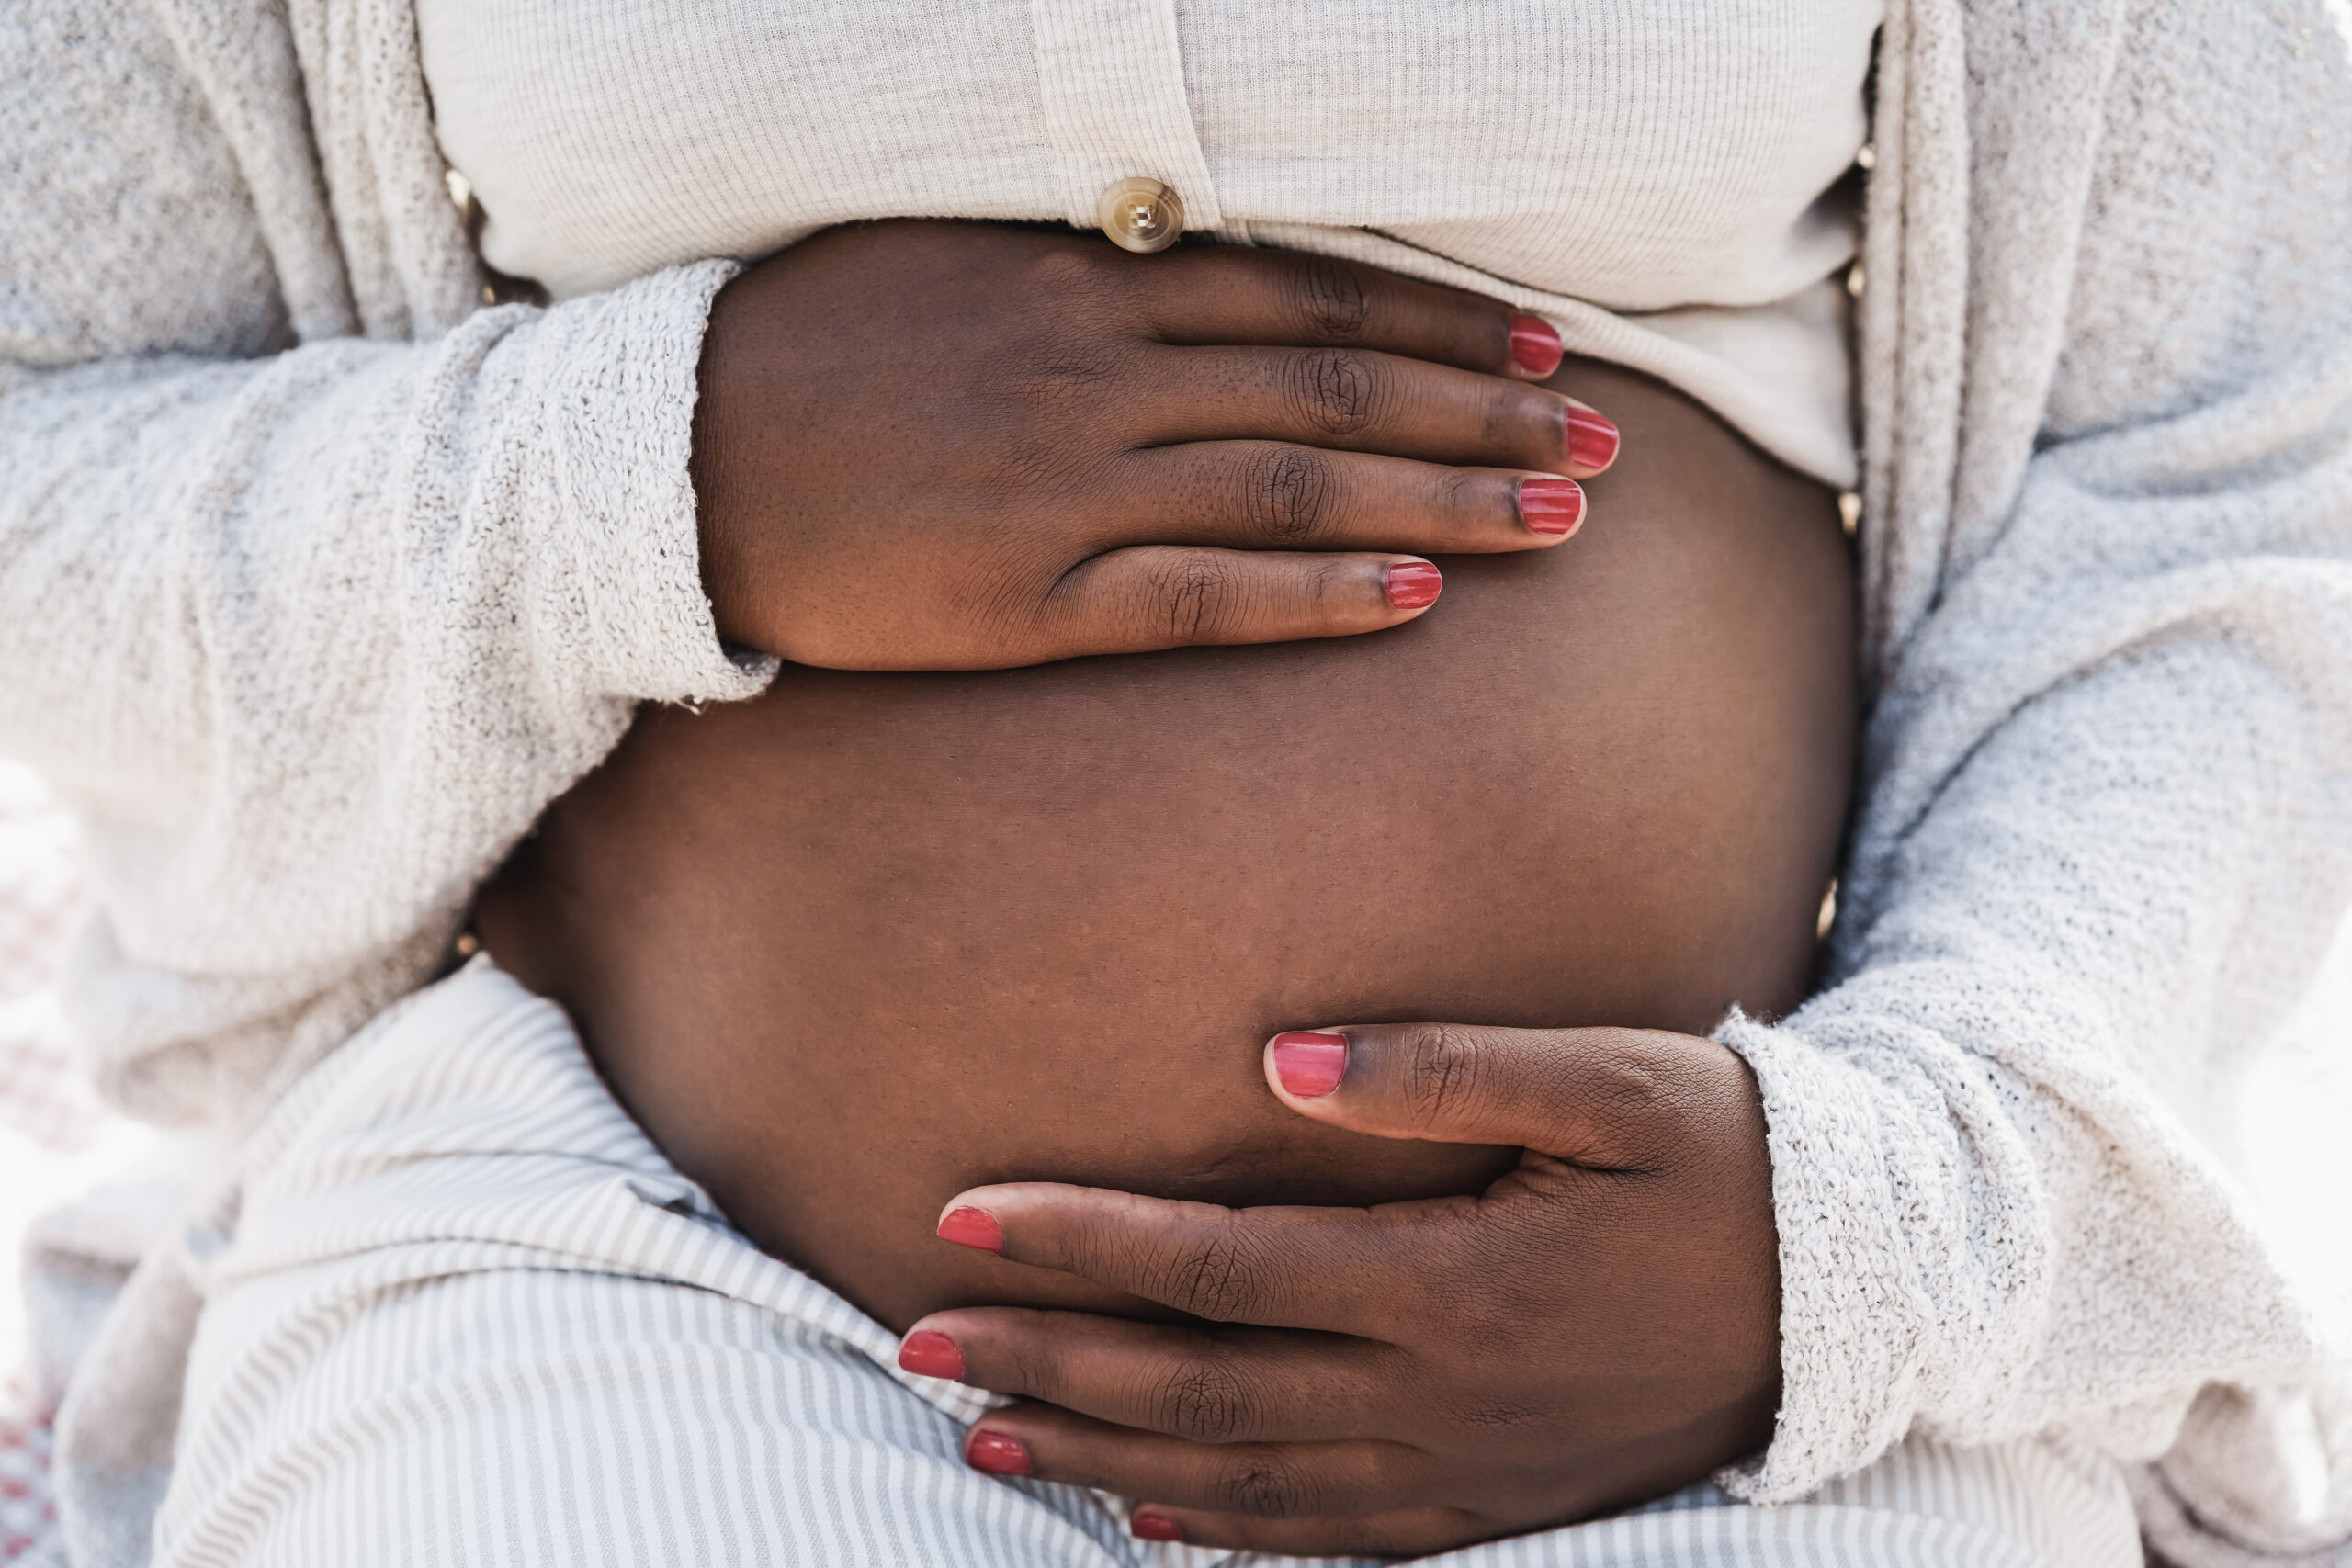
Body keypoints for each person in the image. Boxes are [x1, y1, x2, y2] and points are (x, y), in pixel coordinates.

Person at [2, 2, 2348, 1565]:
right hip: (624, 1256)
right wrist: (649, 468)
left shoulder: (1824, 1272)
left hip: (1741, 1348)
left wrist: (1856, 1237)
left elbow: (2217, 472)